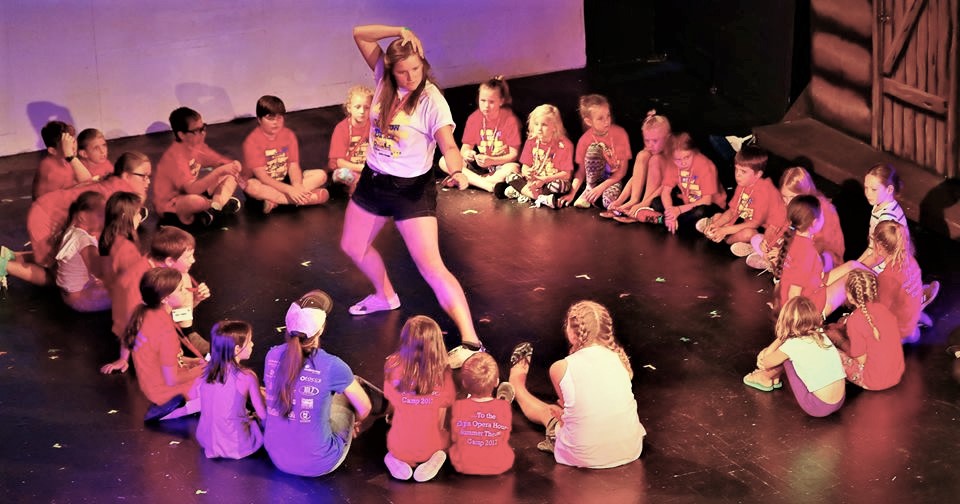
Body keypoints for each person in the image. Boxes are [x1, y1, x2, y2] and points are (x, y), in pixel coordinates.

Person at [344, 24, 484, 366]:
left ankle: (471, 341)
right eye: (403, 71)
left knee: (432, 267)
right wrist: (398, 30)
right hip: (374, 182)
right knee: (353, 245)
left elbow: (448, 143)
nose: (410, 77)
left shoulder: (432, 100)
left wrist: (456, 168)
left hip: (411, 191)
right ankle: (385, 295)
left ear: (425, 65)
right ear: (390, 70)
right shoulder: (382, 77)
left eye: (416, 70)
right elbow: (360, 33)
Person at [508, 301, 645, 469]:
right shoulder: (619, 360)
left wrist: (561, 411)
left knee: (548, 411)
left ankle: (517, 384)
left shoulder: (561, 367)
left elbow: (566, 410)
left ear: (573, 334)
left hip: (583, 456)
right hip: (630, 450)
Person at [263, 290, 373, 477]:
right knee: (354, 384)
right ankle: (393, 409)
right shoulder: (332, 366)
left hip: (277, 457)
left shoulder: (272, 355)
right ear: (321, 329)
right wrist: (357, 423)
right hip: (320, 463)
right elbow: (365, 408)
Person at [856, 163, 939, 315]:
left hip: (887, 264)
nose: (868, 193)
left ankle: (913, 305)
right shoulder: (879, 205)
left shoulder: (887, 218)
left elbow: (879, 256)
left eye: (874, 189)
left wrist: (857, 269)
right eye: (866, 188)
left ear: (889, 190)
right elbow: (872, 247)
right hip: (882, 258)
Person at [743, 296, 846, 417]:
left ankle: (764, 378)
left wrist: (781, 338)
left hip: (818, 407)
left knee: (785, 358)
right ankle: (772, 378)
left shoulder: (792, 345)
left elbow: (765, 362)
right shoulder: (821, 335)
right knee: (785, 355)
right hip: (839, 401)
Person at [126, 267, 206, 422]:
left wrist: (192, 362)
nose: (186, 292)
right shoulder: (164, 330)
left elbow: (163, 360)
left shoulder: (148, 314)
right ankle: (180, 409)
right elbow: (172, 379)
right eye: (181, 290)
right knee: (225, 380)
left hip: (152, 386)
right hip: (165, 391)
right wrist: (203, 369)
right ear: (165, 299)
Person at [382, 315, 456, 482]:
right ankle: (435, 457)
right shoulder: (443, 372)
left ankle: (393, 458)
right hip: (430, 445)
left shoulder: (392, 365)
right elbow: (446, 403)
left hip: (398, 444)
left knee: (398, 426)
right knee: (444, 434)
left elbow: (390, 399)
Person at [772, 195, 864, 317]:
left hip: (811, 288)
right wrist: (792, 324)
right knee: (853, 277)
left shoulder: (792, 238)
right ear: (815, 222)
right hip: (807, 310)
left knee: (854, 265)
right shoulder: (806, 252)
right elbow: (794, 293)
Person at [154, 107, 242, 226]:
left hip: (192, 192)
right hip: (173, 203)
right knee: (196, 201)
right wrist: (218, 172)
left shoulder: (197, 146)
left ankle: (214, 208)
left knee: (231, 174)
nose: (203, 133)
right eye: (196, 130)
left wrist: (233, 165)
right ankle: (214, 205)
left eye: (203, 128)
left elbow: (219, 161)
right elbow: (191, 189)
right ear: (182, 135)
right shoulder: (175, 157)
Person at [745, 167, 844, 272]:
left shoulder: (822, 209)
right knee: (757, 239)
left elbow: (819, 246)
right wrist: (767, 243)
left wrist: (786, 255)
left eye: (791, 197)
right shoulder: (790, 204)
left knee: (817, 262)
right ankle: (772, 262)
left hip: (820, 258)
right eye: (784, 197)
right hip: (794, 252)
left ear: (804, 193)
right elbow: (778, 228)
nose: (787, 202)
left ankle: (776, 265)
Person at [243, 95, 330, 213]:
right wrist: (290, 190)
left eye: (279, 117)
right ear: (259, 119)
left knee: (321, 175)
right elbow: (263, 177)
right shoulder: (252, 142)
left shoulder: (289, 135)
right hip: (264, 184)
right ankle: (305, 199)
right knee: (251, 186)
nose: (276, 122)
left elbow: (293, 165)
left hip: (284, 181)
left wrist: (297, 186)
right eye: (270, 118)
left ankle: (277, 201)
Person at [196, 320, 266, 459]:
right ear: (237, 349)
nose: (252, 344)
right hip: (237, 445)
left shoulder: (205, 372)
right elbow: (263, 415)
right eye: (249, 341)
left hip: (206, 440)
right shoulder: (247, 376)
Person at [697, 145, 787, 255]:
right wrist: (717, 225)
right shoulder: (743, 184)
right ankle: (715, 230)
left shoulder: (765, 191)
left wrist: (724, 231)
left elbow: (754, 224)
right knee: (718, 217)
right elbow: (733, 211)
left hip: (771, 231)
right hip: (750, 222)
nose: (737, 175)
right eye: (736, 169)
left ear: (758, 174)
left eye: (743, 172)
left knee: (748, 234)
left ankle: (746, 245)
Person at [99, 191, 152, 374]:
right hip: (129, 309)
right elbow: (134, 293)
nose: (140, 217)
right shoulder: (126, 249)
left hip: (118, 302)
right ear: (124, 216)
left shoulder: (109, 239)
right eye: (138, 213)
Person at [440, 76, 522, 192]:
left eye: (491, 102)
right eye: (483, 101)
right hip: (481, 167)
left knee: (513, 169)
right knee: (444, 160)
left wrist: (492, 161)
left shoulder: (510, 120)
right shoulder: (474, 118)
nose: (486, 106)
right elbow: (464, 149)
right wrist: (468, 154)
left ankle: (469, 180)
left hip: (501, 166)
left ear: (501, 101)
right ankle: (488, 186)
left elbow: (514, 155)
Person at [825, 270, 904, 391]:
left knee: (830, 351)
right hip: (896, 375)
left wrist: (839, 340)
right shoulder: (884, 309)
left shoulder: (855, 320)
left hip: (875, 381)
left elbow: (861, 360)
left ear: (850, 296)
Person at [449, 352, 515, 476]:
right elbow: (505, 437)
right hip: (499, 465)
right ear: (496, 382)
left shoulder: (458, 406)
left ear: (464, 383)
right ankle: (499, 400)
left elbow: (454, 438)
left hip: (462, 465)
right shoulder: (505, 408)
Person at [561, 94, 630, 210]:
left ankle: (594, 197)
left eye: (608, 116)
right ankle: (589, 190)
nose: (607, 121)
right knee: (594, 149)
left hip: (613, 180)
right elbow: (581, 171)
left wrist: (601, 188)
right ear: (589, 121)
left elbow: (622, 171)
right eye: (600, 118)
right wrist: (572, 193)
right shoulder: (584, 141)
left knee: (608, 202)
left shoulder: (620, 133)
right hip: (593, 181)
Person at [496, 104, 573, 208]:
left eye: (544, 125)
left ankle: (524, 193)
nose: (539, 129)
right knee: (511, 176)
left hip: (550, 182)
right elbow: (525, 167)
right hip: (533, 182)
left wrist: (544, 180)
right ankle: (542, 198)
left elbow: (566, 174)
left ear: (555, 127)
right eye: (536, 124)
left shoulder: (565, 145)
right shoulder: (531, 141)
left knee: (559, 185)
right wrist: (528, 175)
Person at [605, 110, 670, 222]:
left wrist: (645, 203)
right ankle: (634, 202)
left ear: (667, 138)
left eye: (655, 141)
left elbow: (667, 185)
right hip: (648, 195)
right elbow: (636, 177)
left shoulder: (672, 155)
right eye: (647, 141)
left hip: (661, 198)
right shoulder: (649, 151)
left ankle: (642, 209)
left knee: (656, 159)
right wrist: (621, 200)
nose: (650, 145)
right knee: (642, 155)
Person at [653, 132, 725, 233]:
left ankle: (670, 221)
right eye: (677, 159)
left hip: (710, 205)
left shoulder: (706, 166)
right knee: (656, 202)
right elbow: (665, 192)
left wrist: (678, 210)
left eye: (687, 157)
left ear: (694, 152)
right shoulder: (672, 164)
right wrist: (670, 212)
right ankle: (678, 222)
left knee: (700, 212)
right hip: (687, 204)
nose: (683, 163)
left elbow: (707, 200)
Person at [54, 191, 110, 312]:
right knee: (128, 290)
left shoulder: (72, 230)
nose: (104, 219)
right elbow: (99, 272)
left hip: (67, 295)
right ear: (82, 216)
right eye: (100, 215)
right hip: (80, 300)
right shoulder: (85, 241)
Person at [871, 221, 925, 342]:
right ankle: (915, 322)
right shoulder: (911, 261)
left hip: (899, 332)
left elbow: (880, 312)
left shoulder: (887, 277)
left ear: (879, 246)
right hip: (910, 322)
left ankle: (904, 337)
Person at [328, 85, 374, 194]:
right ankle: (355, 191)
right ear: (349, 108)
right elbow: (339, 163)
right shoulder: (341, 128)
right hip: (345, 170)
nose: (362, 111)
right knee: (343, 174)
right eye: (357, 107)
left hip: (367, 170)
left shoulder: (374, 126)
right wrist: (362, 168)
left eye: (366, 107)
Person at [32, 120, 93, 200]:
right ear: (52, 151)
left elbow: (86, 180)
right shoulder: (53, 171)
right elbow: (87, 181)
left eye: (73, 141)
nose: (73, 148)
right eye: (66, 146)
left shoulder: (64, 159)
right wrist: (70, 156)